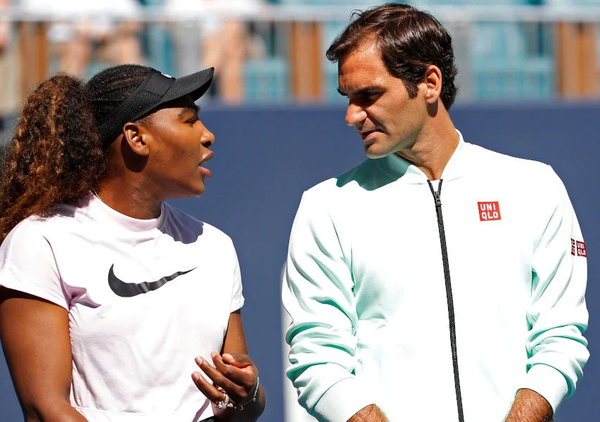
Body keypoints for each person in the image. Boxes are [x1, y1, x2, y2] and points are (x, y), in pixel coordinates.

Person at [281, 4, 589, 422]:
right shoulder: (326, 207)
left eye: (368, 95)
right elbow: (318, 359)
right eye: (348, 98)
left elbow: (561, 334)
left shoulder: (535, 187)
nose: (352, 115)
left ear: (429, 83)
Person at [0, 64, 265, 421]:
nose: (207, 135)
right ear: (136, 138)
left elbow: (239, 406)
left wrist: (246, 394)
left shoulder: (215, 247)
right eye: (189, 121)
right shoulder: (41, 241)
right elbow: (46, 409)